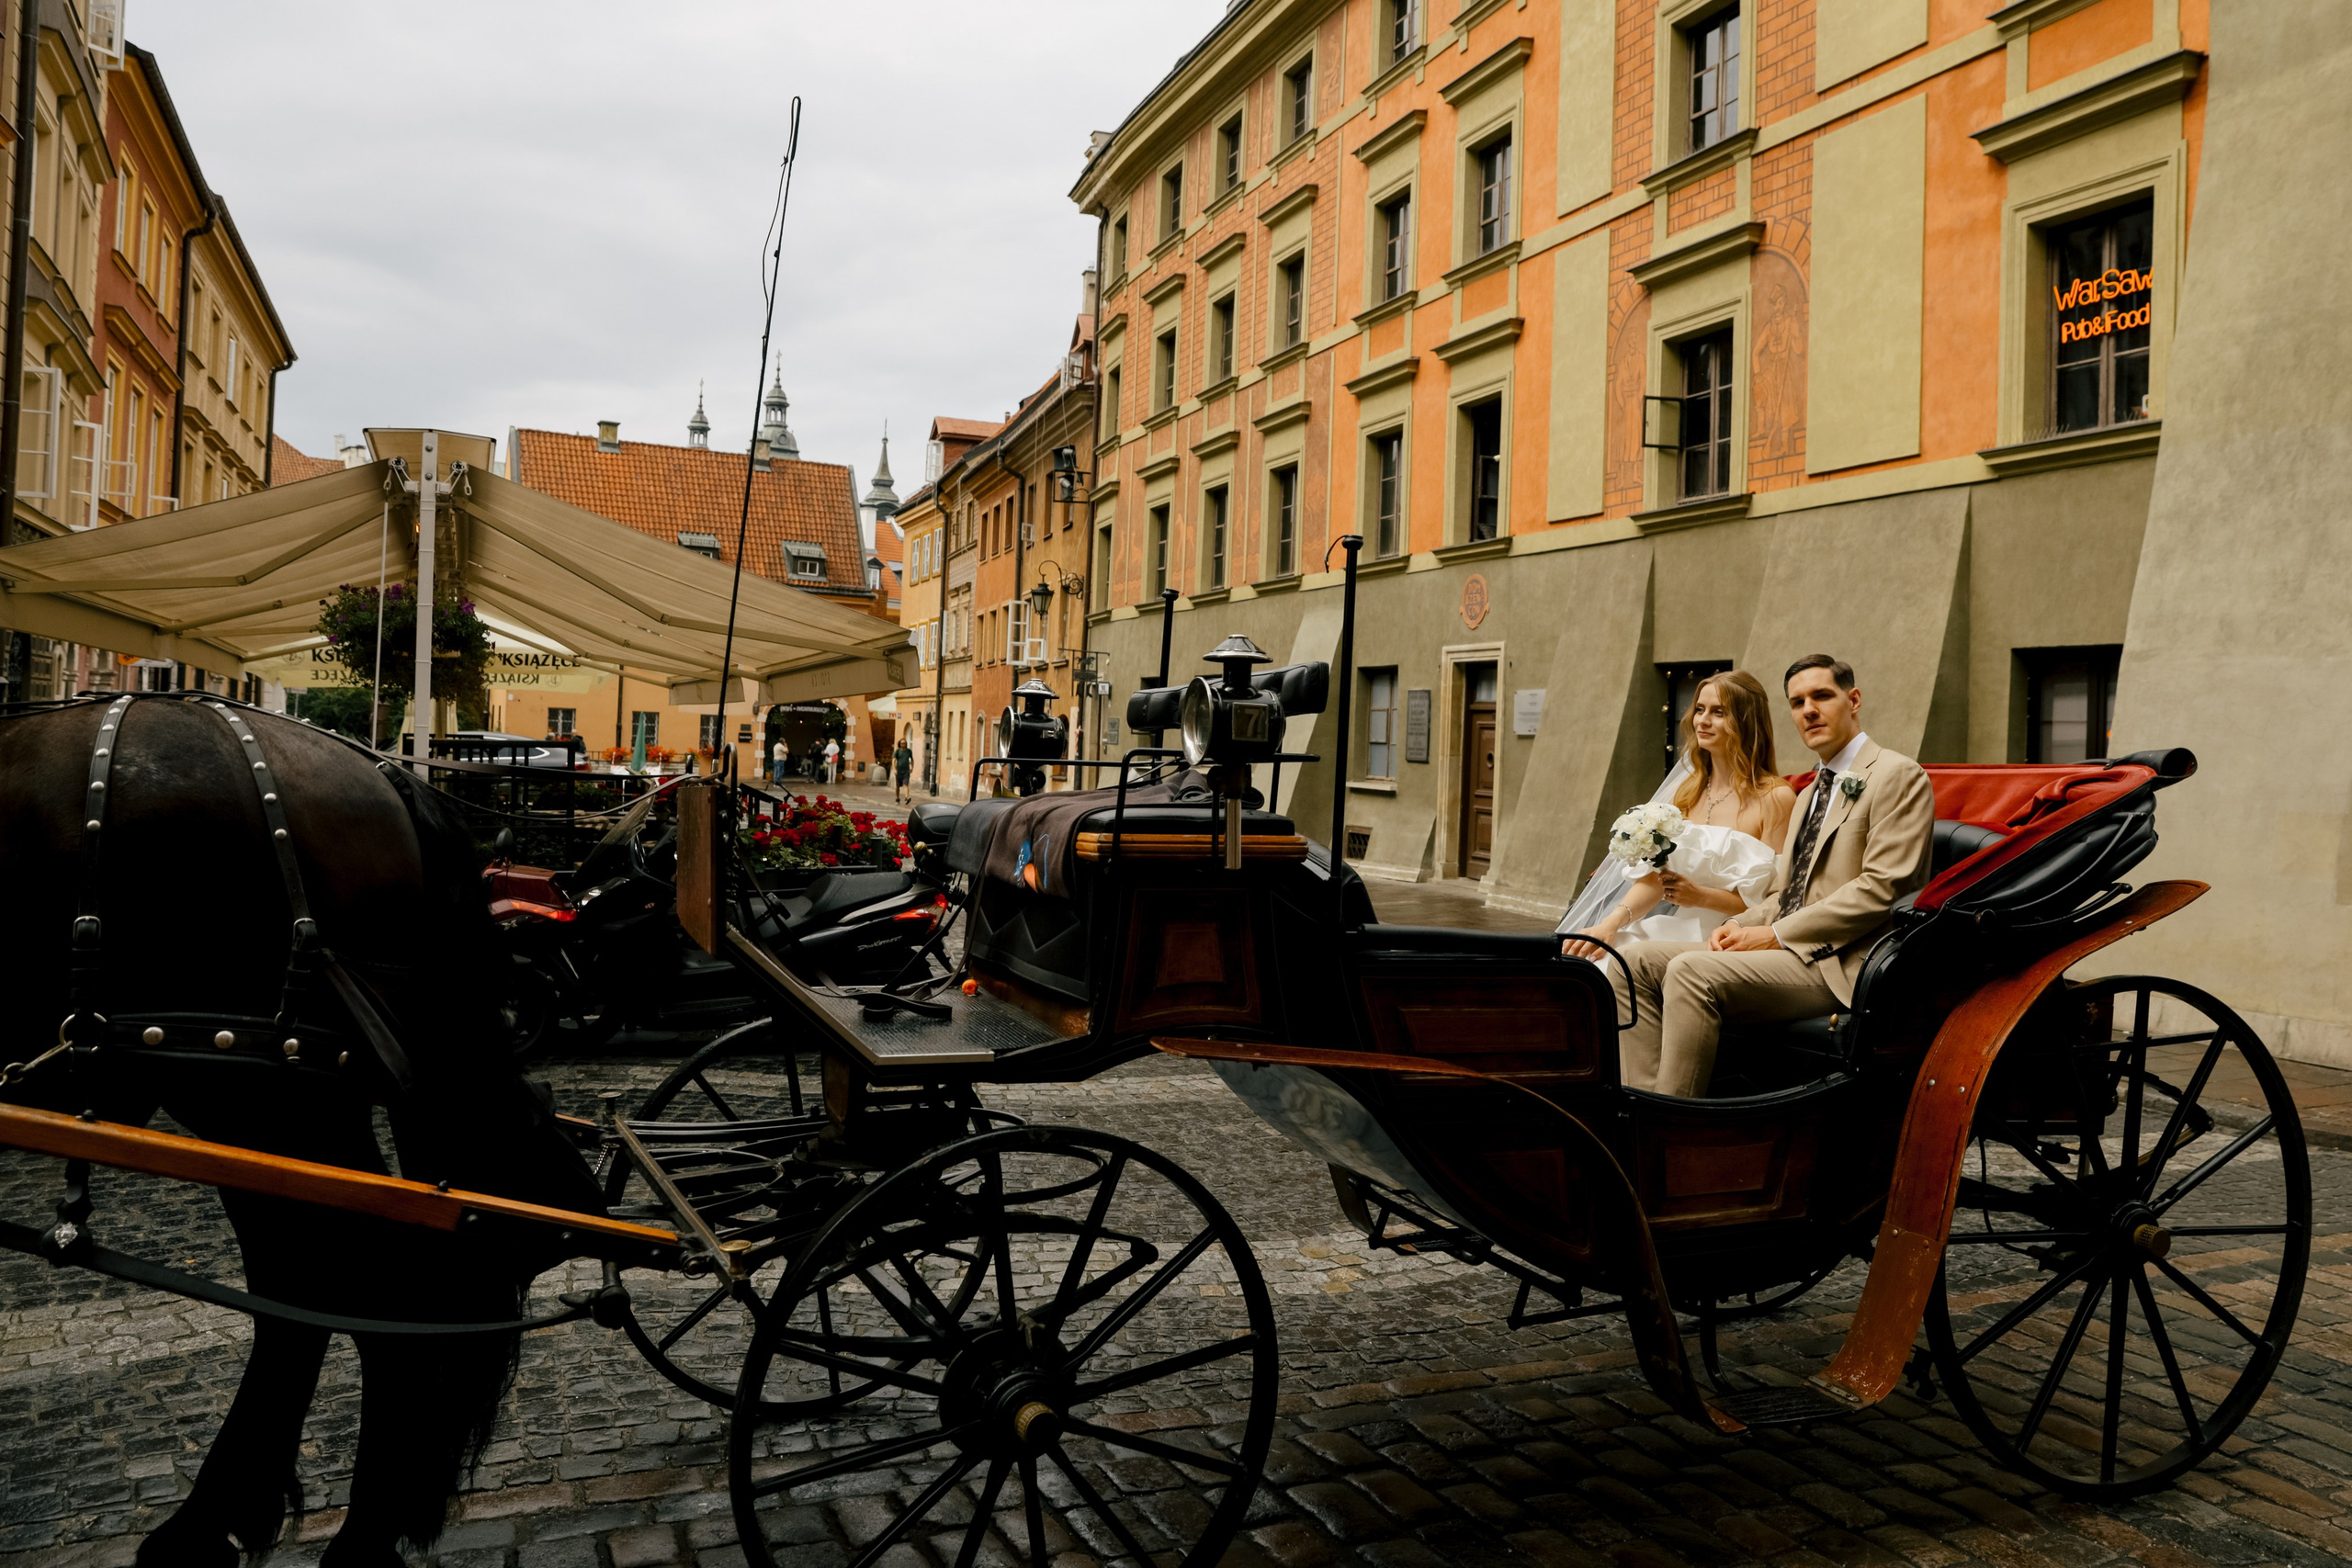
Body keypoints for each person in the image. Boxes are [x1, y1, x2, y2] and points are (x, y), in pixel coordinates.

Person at [1608, 655, 1935, 1098]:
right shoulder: (1809, 793)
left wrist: (1775, 935)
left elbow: (1882, 889)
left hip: (1839, 962)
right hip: (1786, 949)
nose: (1809, 711)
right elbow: (1786, 889)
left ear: (1853, 700)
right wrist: (1738, 925)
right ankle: (1641, 1107)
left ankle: (1672, 1127)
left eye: (1822, 696)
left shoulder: (1896, 775)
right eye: (1798, 702)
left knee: (1690, 971)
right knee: (1632, 964)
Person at [1560, 670, 1794, 960]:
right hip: (1677, 927)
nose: (1703, 720)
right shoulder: (1687, 792)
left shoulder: (1776, 798)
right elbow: (1657, 880)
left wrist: (1701, 897)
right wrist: (1610, 923)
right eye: (1699, 709)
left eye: (1718, 712)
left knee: (1626, 961)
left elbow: (1779, 900)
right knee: (1596, 956)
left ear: (1746, 721)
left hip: (1728, 940)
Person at [893, 739, 913, 804]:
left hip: (906, 771)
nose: (903, 745)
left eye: (904, 743)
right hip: (899, 771)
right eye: (902, 743)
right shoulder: (897, 751)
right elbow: (894, 760)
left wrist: (912, 767)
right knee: (898, 786)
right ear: (900, 744)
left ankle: (907, 797)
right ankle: (897, 798)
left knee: (906, 784)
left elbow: (912, 759)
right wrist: (894, 769)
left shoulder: (909, 751)